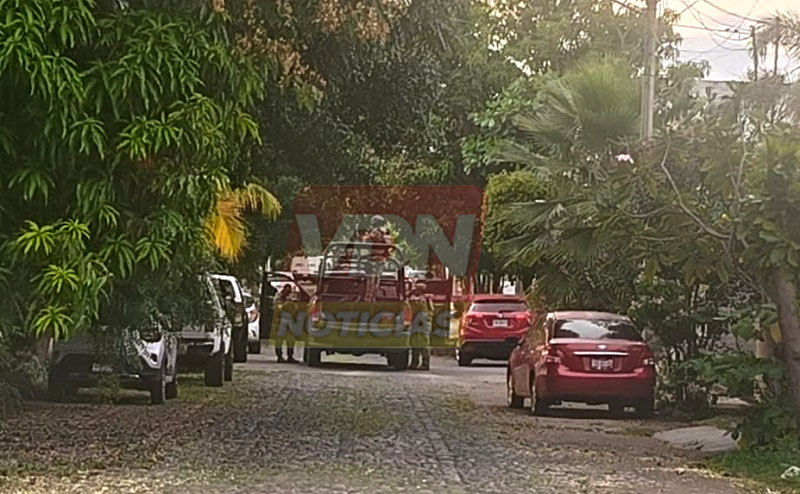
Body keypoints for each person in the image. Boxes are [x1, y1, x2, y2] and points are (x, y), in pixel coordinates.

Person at [360, 215, 394, 302]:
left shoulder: (375, 231)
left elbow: (365, 241)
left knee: (370, 281)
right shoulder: (386, 233)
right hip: (382, 259)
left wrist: (365, 236)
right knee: (376, 280)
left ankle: (368, 299)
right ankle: (373, 298)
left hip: (374, 258)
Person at [408, 282, 433, 371]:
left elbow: (414, 308)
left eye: (416, 289)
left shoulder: (421, 299)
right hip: (419, 322)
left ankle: (424, 363)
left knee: (422, 343)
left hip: (421, 322)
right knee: (416, 343)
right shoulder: (425, 298)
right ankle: (415, 362)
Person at [273, 283, 297, 363]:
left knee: (291, 340)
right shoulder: (279, 297)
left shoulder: (291, 298)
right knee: (279, 340)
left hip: (290, 321)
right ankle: (279, 356)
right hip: (281, 321)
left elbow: (295, 309)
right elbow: (278, 308)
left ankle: (290, 356)